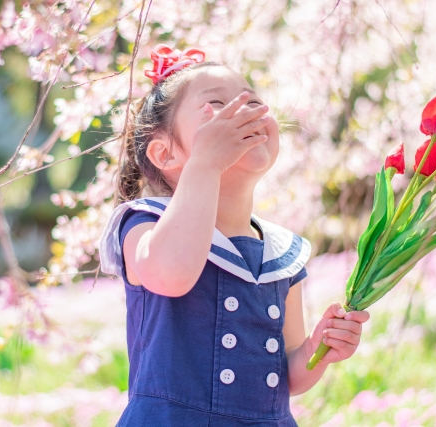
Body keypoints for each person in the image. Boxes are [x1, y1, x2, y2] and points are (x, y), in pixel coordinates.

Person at [98, 44, 370, 427]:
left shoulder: (280, 251)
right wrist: (206, 165)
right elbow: (172, 274)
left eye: (253, 101)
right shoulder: (145, 222)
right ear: (166, 155)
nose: (246, 110)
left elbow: (287, 373)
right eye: (216, 105)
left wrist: (318, 348)